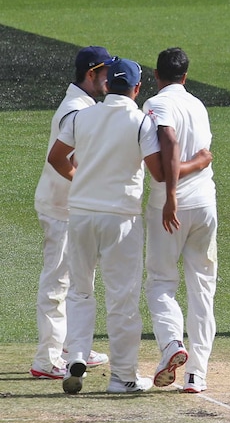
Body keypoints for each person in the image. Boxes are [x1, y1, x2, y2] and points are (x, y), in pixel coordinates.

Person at [48, 58, 211, 395]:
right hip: (120, 219)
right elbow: (158, 172)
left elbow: (56, 157)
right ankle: (122, 377)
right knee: (121, 299)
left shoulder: (80, 115)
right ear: (137, 89)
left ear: (107, 84)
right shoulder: (141, 123)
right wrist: (199, 161)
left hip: (80, 214)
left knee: (80, 291)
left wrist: (82, 182)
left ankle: (76, 356)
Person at [30, 46, 115, 380]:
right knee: (57, 282)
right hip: (60, 208)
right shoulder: (74, 111)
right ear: (91, 74)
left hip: (73, 208)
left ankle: (70, 347)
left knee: (79, 279)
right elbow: (60, 158)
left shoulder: (85, 107)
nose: (110, 78)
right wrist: (87, 185)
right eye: (106, 72)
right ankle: (46, 358)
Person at [142, 48, 217, 394]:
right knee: (202, 287)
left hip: (168, 208)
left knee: (160, 282)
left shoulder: (156, 104)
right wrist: (199, 164)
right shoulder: (199, 106)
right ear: (185, 77)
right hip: (204, 205)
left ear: (157, 76)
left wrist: (171, 195)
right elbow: (198, 154)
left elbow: (168, 139)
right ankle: (195, 375)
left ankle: (172, 344)